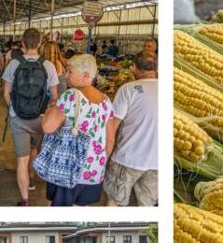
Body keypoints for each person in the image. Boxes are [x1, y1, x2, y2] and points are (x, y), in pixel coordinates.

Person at [40, 54, 115, 206]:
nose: (66, 76)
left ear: (86, 75)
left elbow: (47, 127)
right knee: (81, 208)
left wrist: (51, 108)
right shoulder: (106, 101)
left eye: (70, 72)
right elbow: (110, 139)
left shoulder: (71, 96)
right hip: (94, 169)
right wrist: (98, 162)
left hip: (68, 168)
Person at [2, 27, 60, 206]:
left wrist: (15, 109)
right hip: (40, 117)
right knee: (35, 149)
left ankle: (25, 200)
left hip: (18, 117)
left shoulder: (13, 63)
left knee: (22, 159)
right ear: (40, 43)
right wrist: (43, 111)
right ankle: (32, 178)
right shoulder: (48, 65)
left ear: (22, 44)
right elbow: (55, 97)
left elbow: (6, 93)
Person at [104, 52, 158, 206]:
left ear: (134, 67)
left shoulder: (128, 89)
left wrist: (105, 155)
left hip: (127, 158)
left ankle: (111, 229)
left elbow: (112, 126)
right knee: (146, 205)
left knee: (114, 201)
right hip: (156, 163)